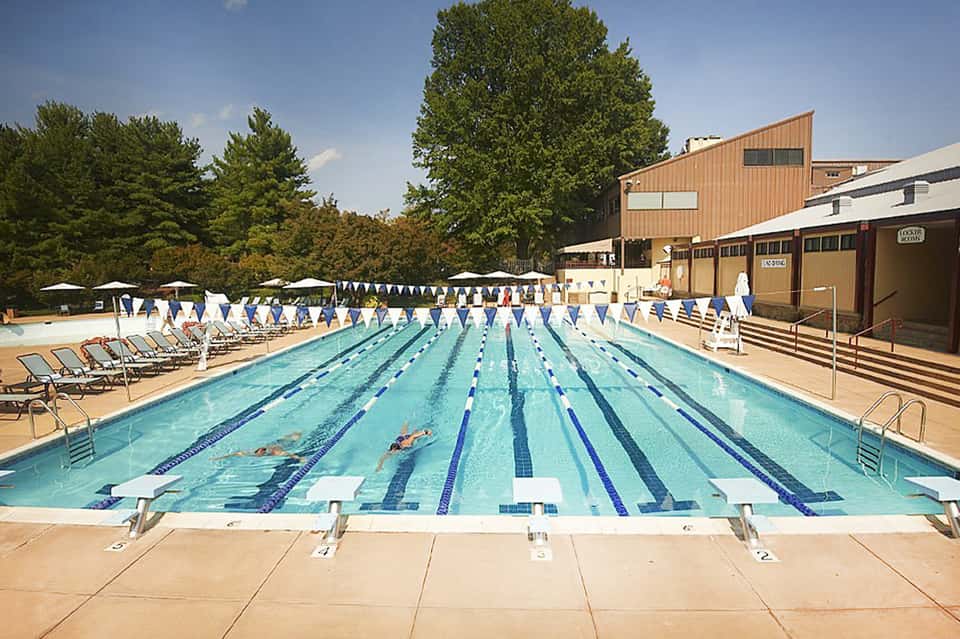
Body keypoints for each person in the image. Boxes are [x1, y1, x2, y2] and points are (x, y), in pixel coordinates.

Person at [213, 432, 305, 462]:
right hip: (274, 443)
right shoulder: (253, 453)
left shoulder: (275, 452)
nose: (258, 455)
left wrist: (300, 458)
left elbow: (289, 454)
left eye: (259, 453)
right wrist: (220, 458)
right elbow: (237, 453)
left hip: (283, 444)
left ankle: (296, 433)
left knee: (295, 437)